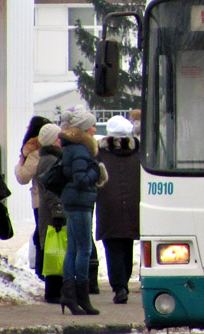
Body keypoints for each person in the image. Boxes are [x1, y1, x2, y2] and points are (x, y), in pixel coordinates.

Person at [59, 112, 107, 315]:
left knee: (73, 249)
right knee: (84, 250)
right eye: (93, 126)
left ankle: (69, 294)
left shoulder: (72, 147)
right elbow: (80, 178)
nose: (95, 129)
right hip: (80, 202)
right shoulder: (80, 149)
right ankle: (81, 295)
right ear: (85, 129)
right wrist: (95, 171)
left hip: (73, 201)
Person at [96, 115, 141, 304]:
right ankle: (124, 281)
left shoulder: (101, 153)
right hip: (132, 205)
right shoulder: (139, 152)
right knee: (127, 244)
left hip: (108, 207)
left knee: (112, 246)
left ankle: (119, 286)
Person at [13, 115, 50, 279]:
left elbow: (22, 177)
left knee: (41, 235)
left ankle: (42, 270)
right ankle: (43, 269)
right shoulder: (44, 151)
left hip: (39, 201)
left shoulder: (34, 153)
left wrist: (19, 164)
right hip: (49, 200)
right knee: (43, 235)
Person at [33, 123, 65, 304]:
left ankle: (56, 290)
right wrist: (58, 211)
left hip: (51, 211)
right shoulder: (50, 160)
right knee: (54, 250)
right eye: (59, 137)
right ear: (53, 140)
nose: (61, 140)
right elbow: (50, 190)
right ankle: (53, 292)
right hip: (52, 213)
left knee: (54, 249)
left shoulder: (50, 158)